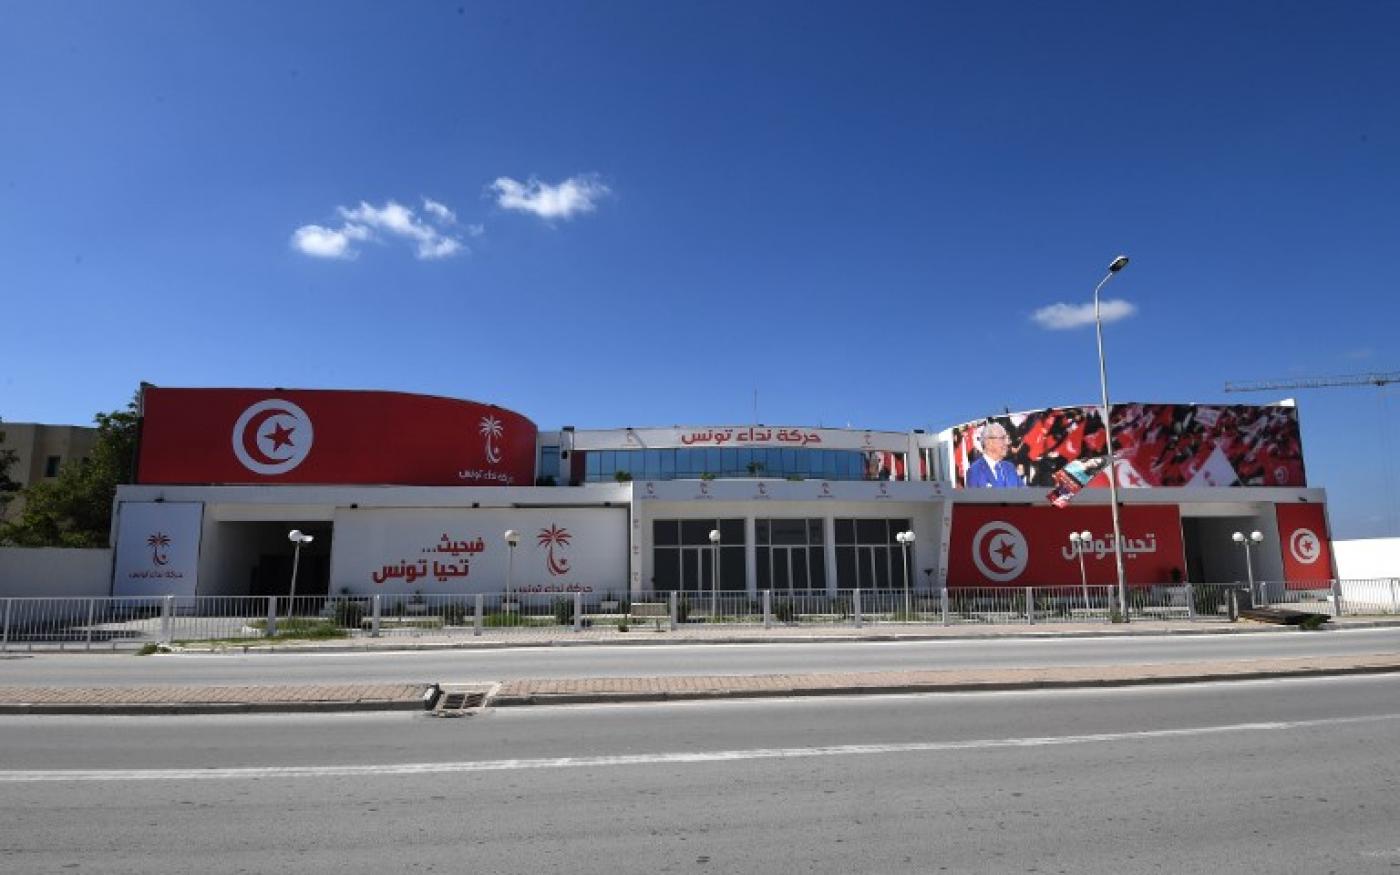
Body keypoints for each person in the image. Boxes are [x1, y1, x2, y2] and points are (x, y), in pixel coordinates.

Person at [966, 422, 1024, 488]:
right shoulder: (975, 471)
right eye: (1003, 438)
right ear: (988, 442)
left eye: (1007, 438)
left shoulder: (1010, 467)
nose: (1007, 442)